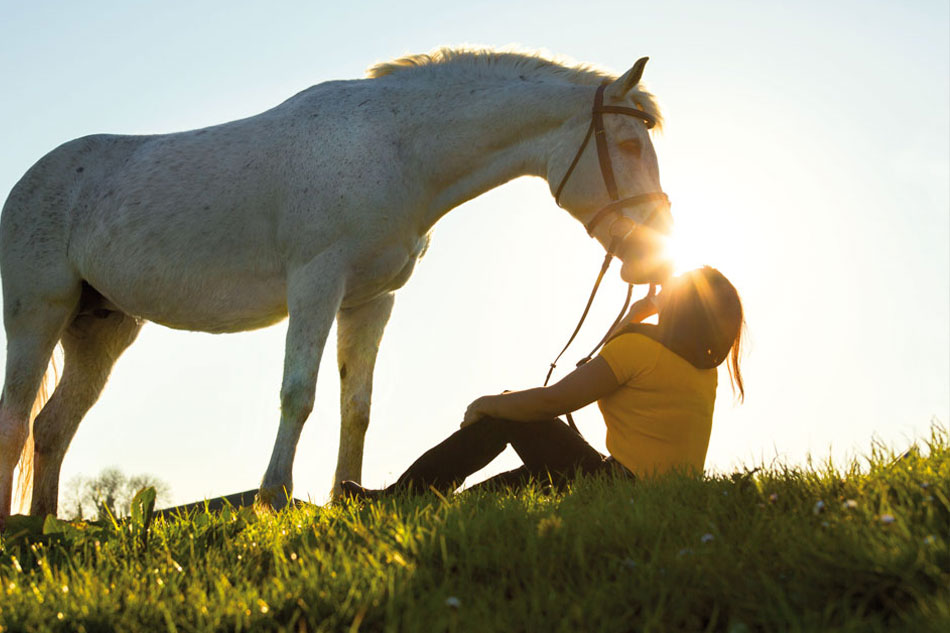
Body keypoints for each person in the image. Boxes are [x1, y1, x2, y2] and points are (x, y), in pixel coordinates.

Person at [341, 266, 745, 500]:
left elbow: (551, 402)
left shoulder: (641, 351)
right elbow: (622, 352)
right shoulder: (702, 372)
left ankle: (399, 499)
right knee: (494, 496)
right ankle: (425, 504)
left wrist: (488, 403)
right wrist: (642, 311)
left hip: (613, 486)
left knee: (511, 412)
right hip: (636, 490)